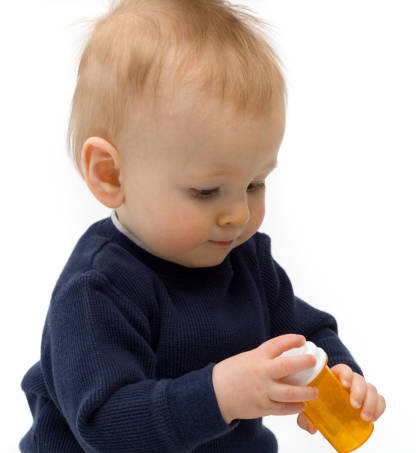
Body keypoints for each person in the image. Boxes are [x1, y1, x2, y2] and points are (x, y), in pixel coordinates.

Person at [19, 0, 385, 451]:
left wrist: (340, 374)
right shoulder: (97, 290)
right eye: (206, 191)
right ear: (111, 175)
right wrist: (220, 395)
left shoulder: (245, 260)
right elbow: (103, 425)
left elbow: (308, 333)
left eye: (254, 183)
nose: (239, 214)